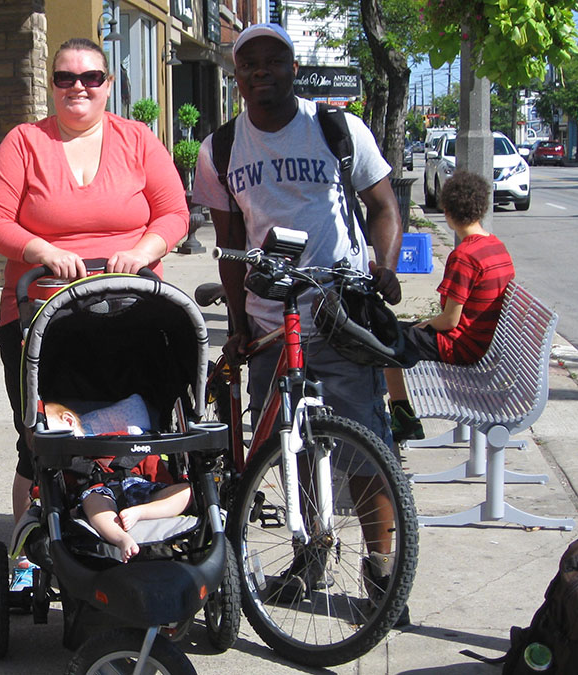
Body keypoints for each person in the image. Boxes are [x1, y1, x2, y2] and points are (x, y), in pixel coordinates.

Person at [189, 23, 406, 611]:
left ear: (292, 68)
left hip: (340, 315)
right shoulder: (224, 147)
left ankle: (383, 571)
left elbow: (384, 205)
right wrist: (237, 324)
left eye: (274, 62)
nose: (263, 72)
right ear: (237, 79)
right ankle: (308, 556)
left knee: (364, 448)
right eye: (250, 65)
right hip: (269, 324)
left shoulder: (336, 129)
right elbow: (230, 246)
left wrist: (383, 267)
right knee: (290, 447)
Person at [0, 37, 189, 590]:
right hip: (42, 313)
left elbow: (174, 213)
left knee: (145, 426)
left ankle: (138, 517)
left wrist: (143, 253)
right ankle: (30, 544)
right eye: (66, 77)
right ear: (52, 84)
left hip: (133, 312)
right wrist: (42, 251)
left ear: (108, 84)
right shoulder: (24, 143)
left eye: (91, 77)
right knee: (42, 437)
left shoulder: (137, 140)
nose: (79, 87)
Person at [385, 170, 515, 443]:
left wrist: (425, 324)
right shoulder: (496, 246)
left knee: (385, 340)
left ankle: (403, 416)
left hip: (462, 347)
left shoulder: (465, 256)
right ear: (481, 208)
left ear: (448, 212)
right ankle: (401, 414)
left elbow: (450, 321)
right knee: (397, 332)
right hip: (485, 343)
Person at [44, 402, 192, 563]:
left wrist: (165, 486)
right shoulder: (66, 465)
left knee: (185, 491)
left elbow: (151, 464)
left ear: (69, 421)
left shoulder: (120, 438)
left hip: (139, 488)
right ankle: (121, 539)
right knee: (93, 501)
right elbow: (55, 490)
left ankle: (142, 513)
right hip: (101, 494)